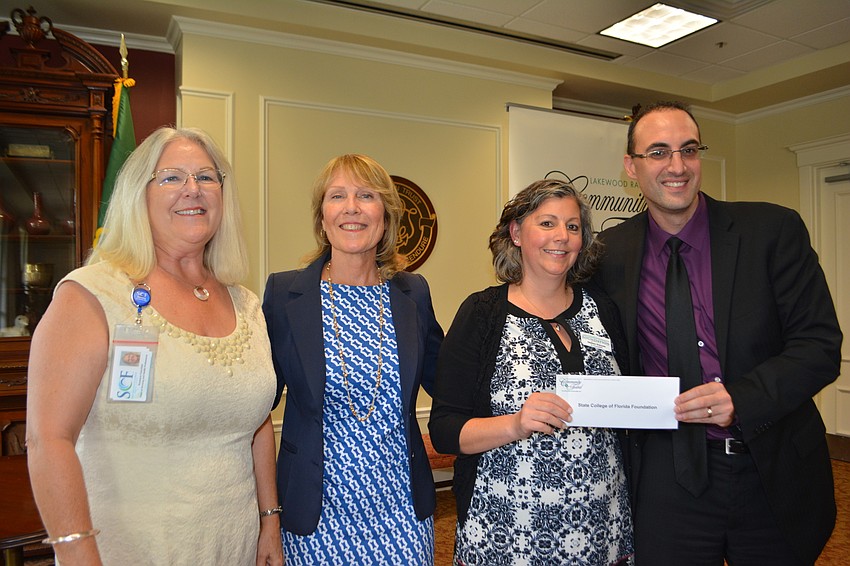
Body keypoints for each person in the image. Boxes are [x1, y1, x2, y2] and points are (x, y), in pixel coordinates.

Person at [593, 101, 843, 565]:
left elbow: (819, 346)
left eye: (689, 150)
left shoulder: (771, 230)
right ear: (632, 166)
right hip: (668, 478)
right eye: (659, 152)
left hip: (769, 468)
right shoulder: (609, 254)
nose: (677, 166)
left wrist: (740, 399)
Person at [26, 127, 283, 566]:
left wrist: (270, 521)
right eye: (171, 178)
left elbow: (255, 422)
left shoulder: (246, 303)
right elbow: (48, 439)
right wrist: (76, 552)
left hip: (233, 545)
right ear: (137, 194)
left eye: (206, 177)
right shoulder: (92, 294)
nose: (192, 190)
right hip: (127, 550)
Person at [429, 179, 634, 565]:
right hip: (508, 532)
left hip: (602, 527)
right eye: (547, 223)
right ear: (516, 232)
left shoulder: (604, 310)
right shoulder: (482, 314)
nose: (562, 237)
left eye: (573, 227)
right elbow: (444, 429)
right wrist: (516, 424)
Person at [262, 153, 443, 564]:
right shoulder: (286, 296)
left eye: (366, 196)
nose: (352, 208)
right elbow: (255, 404)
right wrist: (266, 516)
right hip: (315, 512)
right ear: (322, 218)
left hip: (401, 512)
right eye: (337, 196)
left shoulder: (413, 294)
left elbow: (450, 382)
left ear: (386, 216)